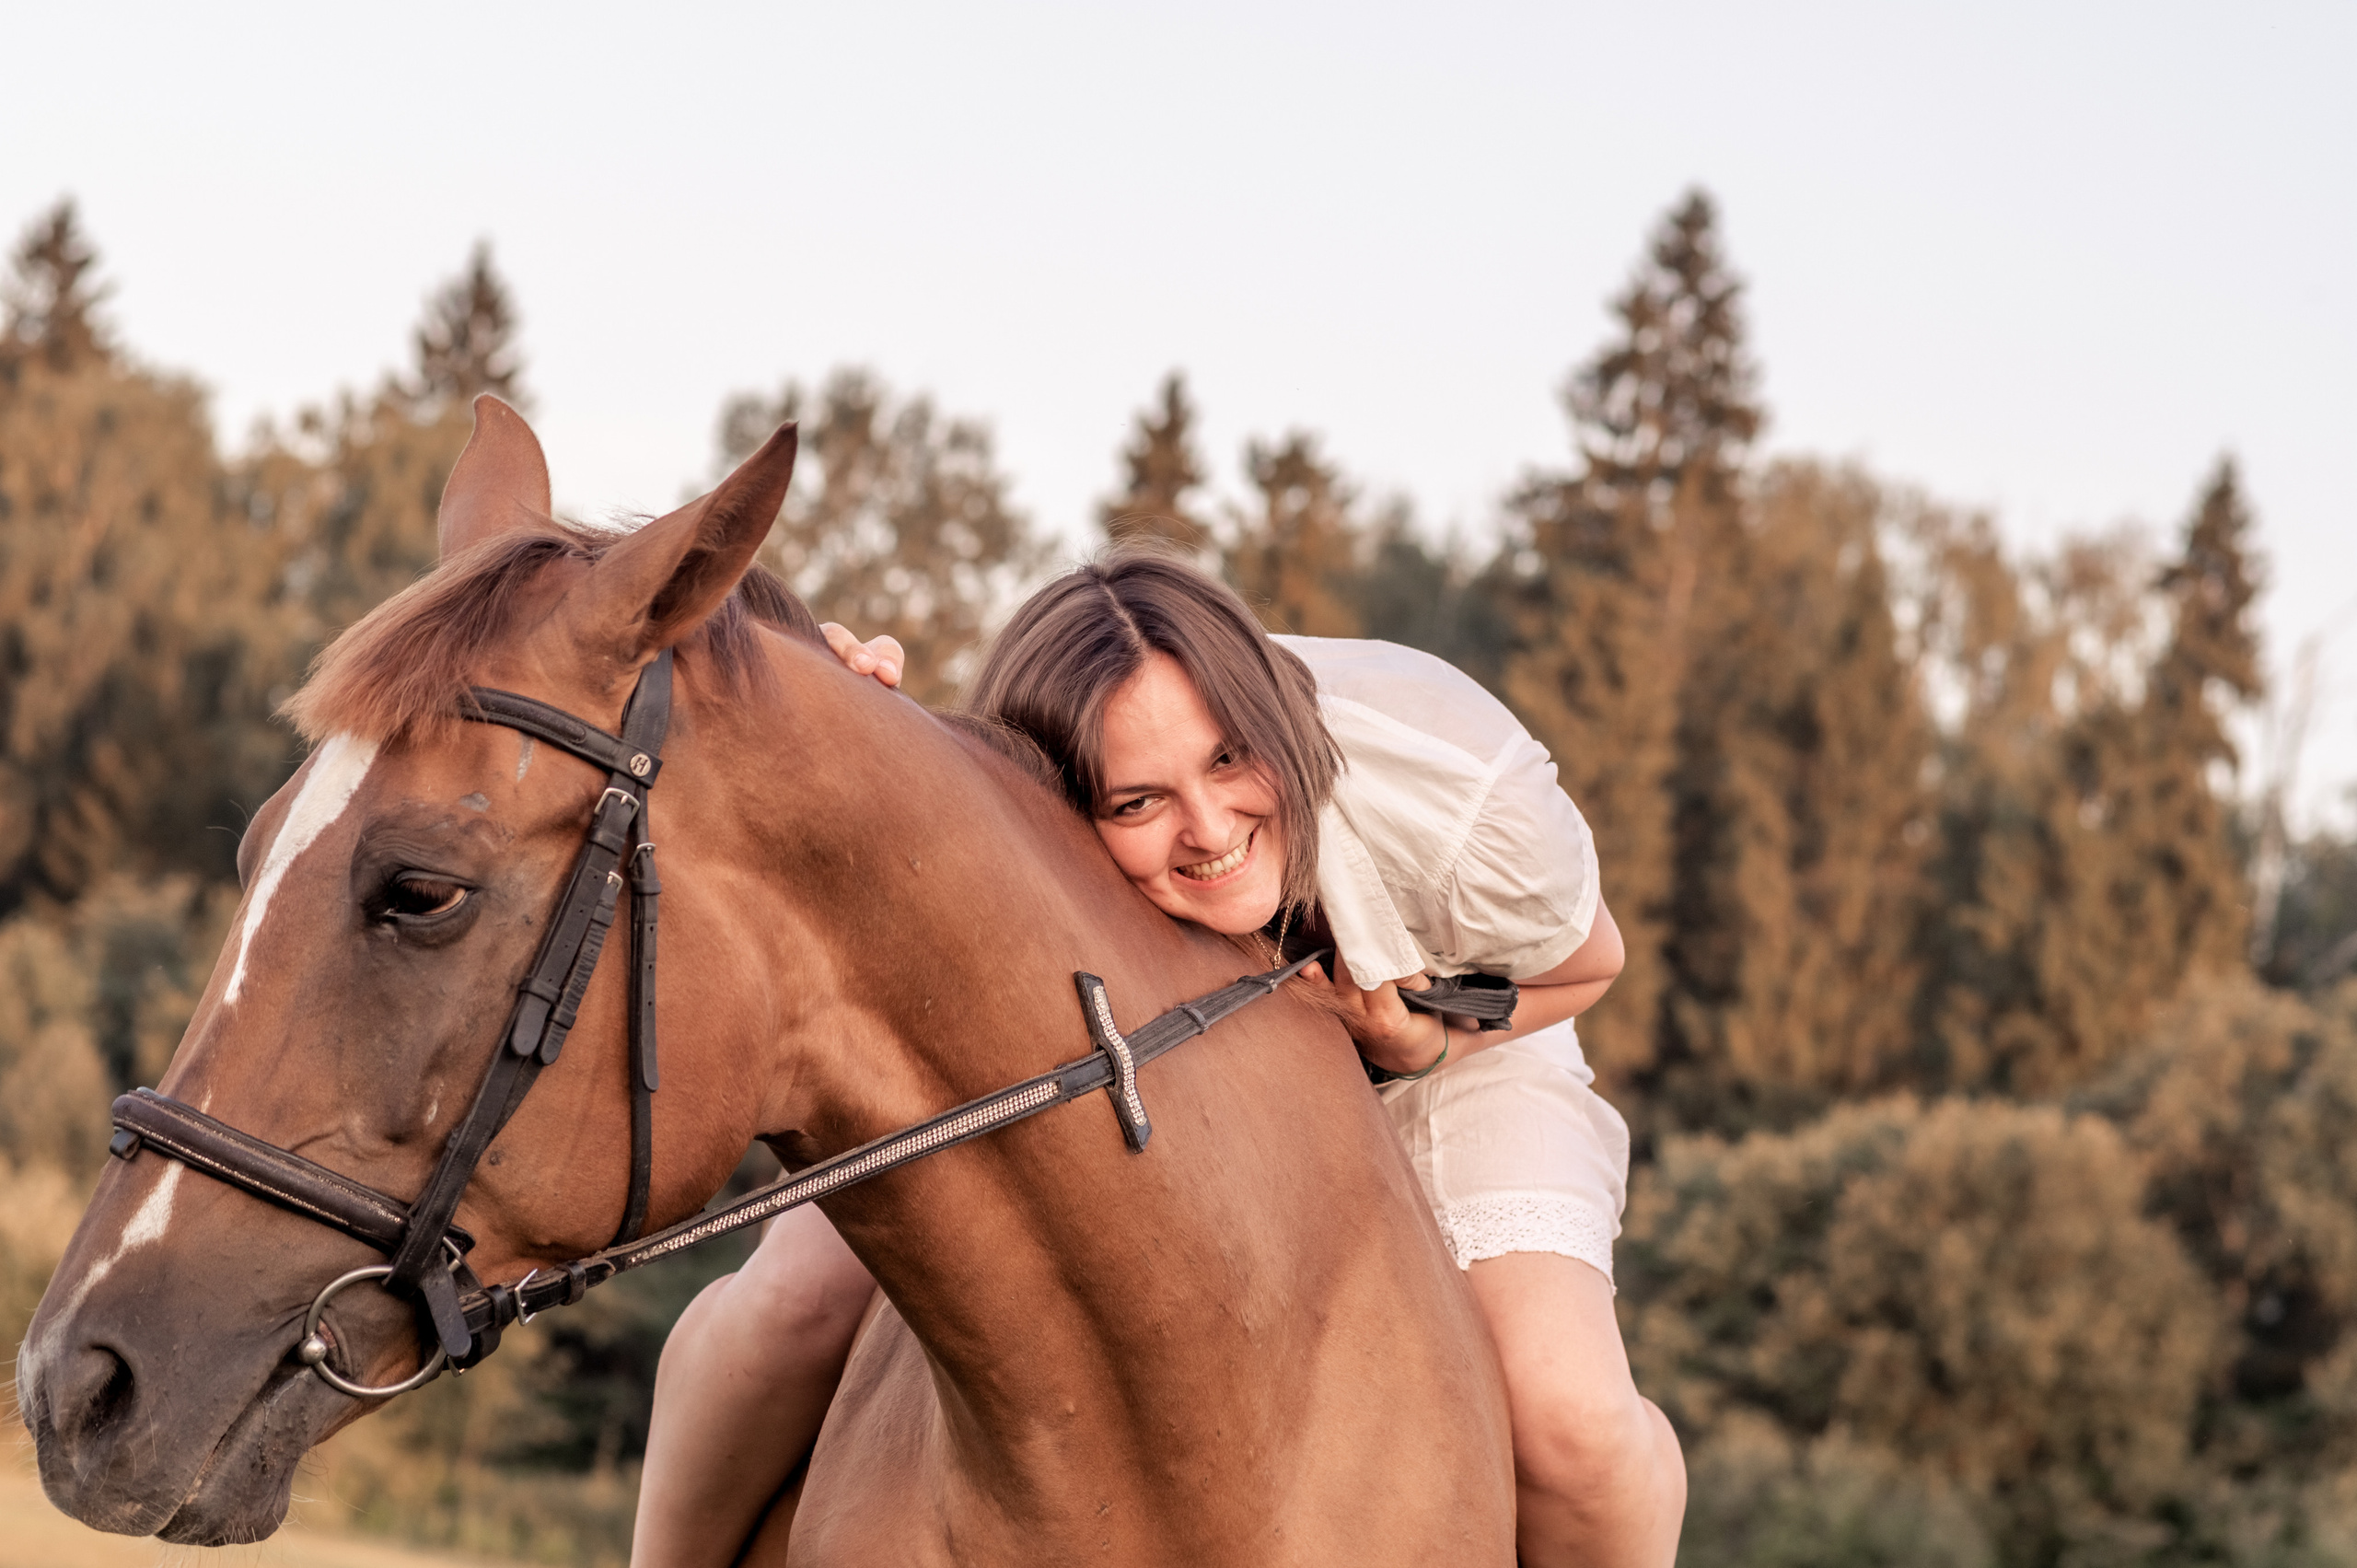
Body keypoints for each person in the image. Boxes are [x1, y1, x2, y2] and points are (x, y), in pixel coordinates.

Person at [632, 552, 1686, 1568]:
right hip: (1151, 1026)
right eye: (1137, 802)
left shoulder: (1454, 777)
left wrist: (1425, 1037)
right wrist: (852, 724)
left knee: (1571, 1425)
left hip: (1459, 1045)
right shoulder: (1042, 776)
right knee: (784, 1305)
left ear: (1270, 717)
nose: (1209, 826)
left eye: (1229, 758)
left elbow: (1593, 961)